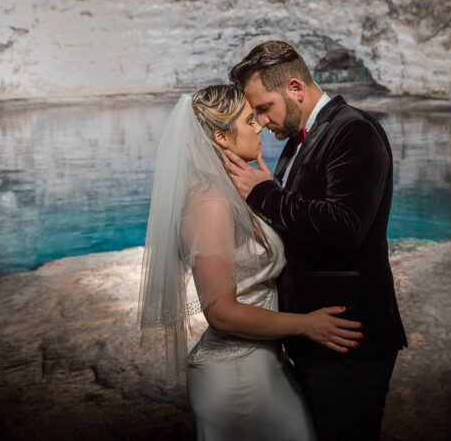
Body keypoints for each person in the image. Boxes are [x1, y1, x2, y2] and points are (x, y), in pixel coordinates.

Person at [138, 84, 363, 440]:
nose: (259, 126)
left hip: (263, 363)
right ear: (221, 137)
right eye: (247, 120)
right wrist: (306, 325)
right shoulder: (210, 205)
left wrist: (267, 193)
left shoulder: (230, 190)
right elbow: (221, 313)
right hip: (237, 374)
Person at [224, 41, 407, 441]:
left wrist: (264, 194)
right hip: (314, 333)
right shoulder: (296, 141)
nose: (260, 121)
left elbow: (345, 226)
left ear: (295, 88)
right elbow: (298, 225)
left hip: (350, 334)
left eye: (264, 107)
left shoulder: (354, 131)